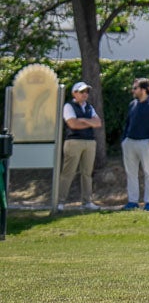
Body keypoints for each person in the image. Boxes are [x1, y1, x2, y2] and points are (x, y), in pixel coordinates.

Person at [58, 81, 103, 212]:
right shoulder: (68, 106)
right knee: (68, 172)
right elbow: (73, 124)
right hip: (74, 141)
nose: (85, 94)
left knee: (87, 173)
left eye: (86, 92)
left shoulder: (89, 107)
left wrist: (82, 120)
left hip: (89, 142)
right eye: (82, 92)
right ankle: (60, 201)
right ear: (74, 93)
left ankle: (87, 201)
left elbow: (98, 122)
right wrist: (89, 122)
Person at [122, 78, 149, 211]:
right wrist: (124, 139)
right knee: (131, 173)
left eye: (135, 88)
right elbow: (127, 122)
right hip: (130, 142)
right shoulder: (133, 104)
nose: (133, 91)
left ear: (144, 89)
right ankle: (133, 201)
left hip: (145, 142)